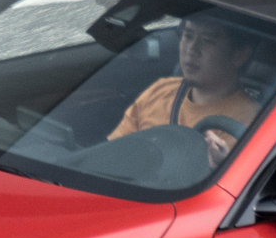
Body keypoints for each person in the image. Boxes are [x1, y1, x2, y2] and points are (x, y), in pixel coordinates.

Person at [110, 16, 261, 154]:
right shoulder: (161, 89)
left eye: (207, 41)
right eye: (188, 36)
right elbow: (113, 152)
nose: (191, 49)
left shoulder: (245, 122)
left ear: (239, 56)